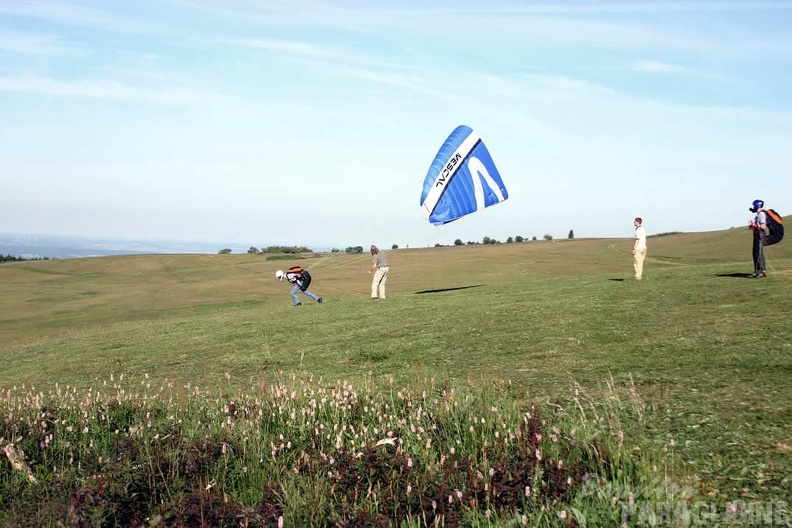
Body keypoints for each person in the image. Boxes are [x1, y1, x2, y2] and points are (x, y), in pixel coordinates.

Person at [748, 199, 767, 278]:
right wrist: (752, 226)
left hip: (760, 235)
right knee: (755, 253)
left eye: (754, 206)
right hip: (756, 235)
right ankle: (757, 271)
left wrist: (755, 225)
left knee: (759, 253)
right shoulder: (758, 214)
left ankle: (762, 271)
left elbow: (763, 226)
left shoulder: (761, 214)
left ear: (757, 205)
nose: (753, 207)